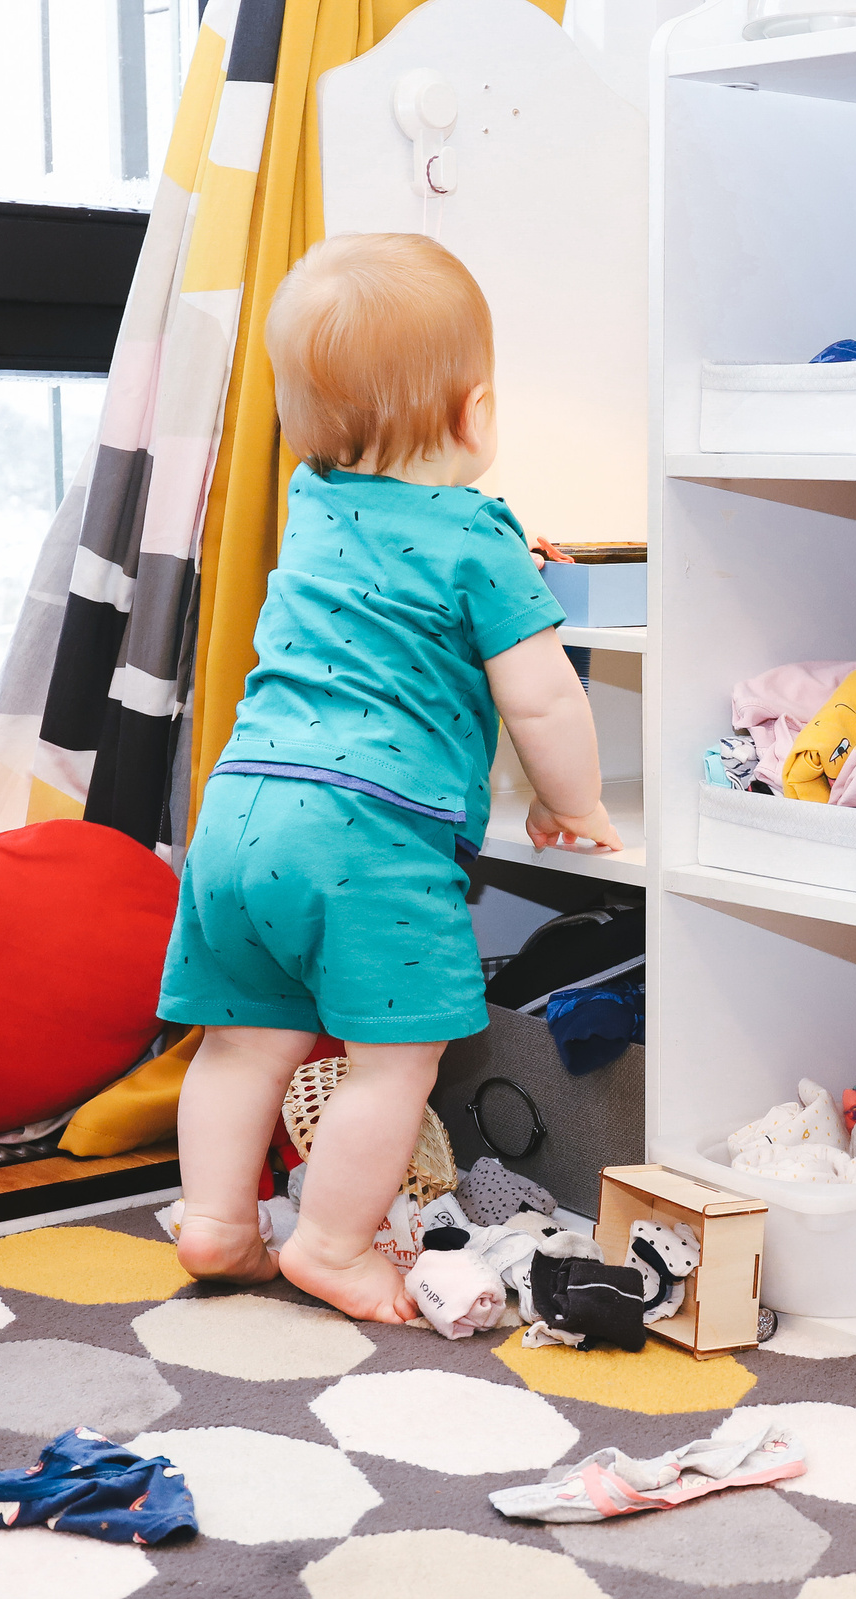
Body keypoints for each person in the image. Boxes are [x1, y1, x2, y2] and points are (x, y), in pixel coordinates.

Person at [159, 232, 621, 1321]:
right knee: (391, 1068)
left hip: (238, 814)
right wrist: (576, 805)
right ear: (476, 415)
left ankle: (218, 1223)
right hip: (365, 834)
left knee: (240, 1044)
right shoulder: (479, 538)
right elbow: (544, 699)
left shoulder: (312, 509)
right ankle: (329, 1241)